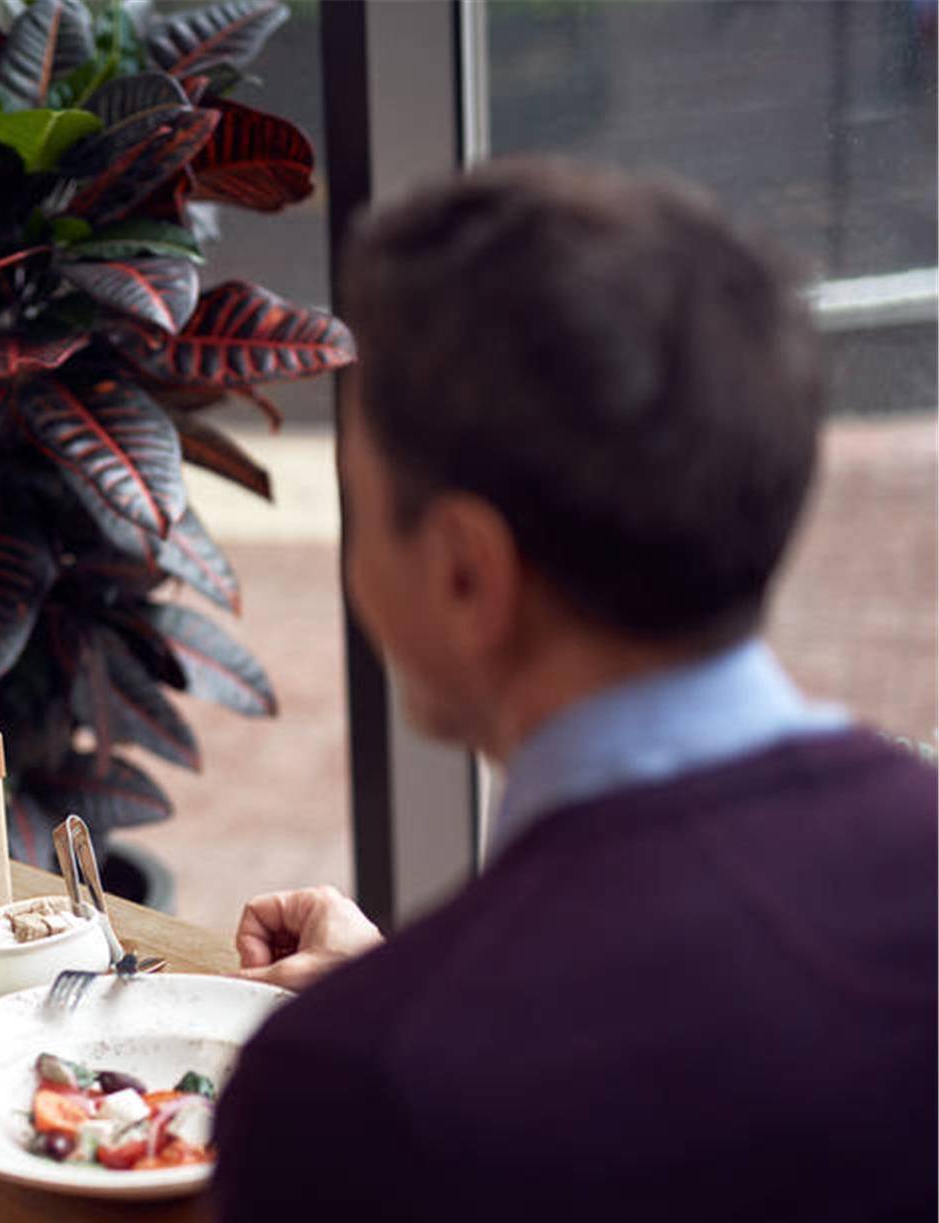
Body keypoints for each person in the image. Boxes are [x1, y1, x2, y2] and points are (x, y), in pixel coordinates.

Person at [214, 159, 936, 1220]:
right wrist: (407, 998)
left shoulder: (350, 1095)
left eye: (360, 508)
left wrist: (395, 1032)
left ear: (466, 571)